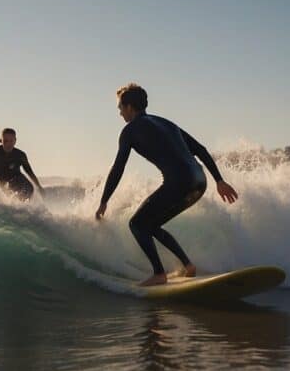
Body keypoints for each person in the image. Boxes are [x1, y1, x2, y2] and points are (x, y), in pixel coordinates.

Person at [95, 84, 239, 286]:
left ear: (129, 107)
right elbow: (200, 149)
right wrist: (219, 180)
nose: (119, 112)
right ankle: (188, 266)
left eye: (120, 107)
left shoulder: (129, 131)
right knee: (151, 224)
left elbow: (118, 167)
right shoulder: (167, 123)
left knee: (137, 224)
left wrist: (104, 201)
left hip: (179, 182)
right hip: (199, 181)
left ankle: (159, 274)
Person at [0, 128, 45, 200]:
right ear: (1, 141)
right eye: (5, 141)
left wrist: (39, 186)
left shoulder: (20, 155)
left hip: (18, 179)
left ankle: (25, 209)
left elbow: (29, 172)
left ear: (15, 141)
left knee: (29, 189)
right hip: (4, 182)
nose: (8, 144)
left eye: (11, 141)